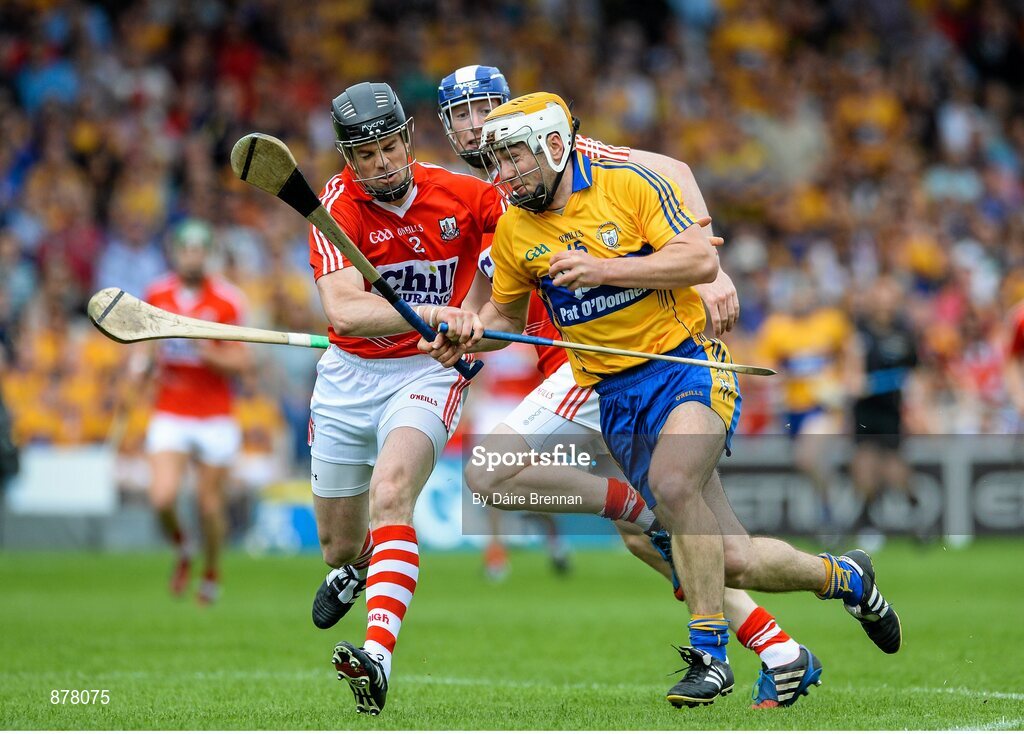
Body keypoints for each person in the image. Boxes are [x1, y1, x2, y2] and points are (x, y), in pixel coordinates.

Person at [422, 92, 902, 708]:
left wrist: (605, 270)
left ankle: (710, 655)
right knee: (732, 560)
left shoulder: (626, 185)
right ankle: (846, 578)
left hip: (684, 367)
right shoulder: (516, 229)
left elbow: (701, 257)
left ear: (552, 146)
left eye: (515, 157)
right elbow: (502, 315)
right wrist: (463, 329)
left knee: (674, 486)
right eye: (498, 161)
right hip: (613, 393)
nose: (506, 174)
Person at [304, 81, 504, 716]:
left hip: (427, 372)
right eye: (366, 155)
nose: (382, 163)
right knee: (338, 547)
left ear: (407, 140)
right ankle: (361, 565)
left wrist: (479, 315)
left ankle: (378, 656)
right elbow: (344, 310)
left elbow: (528, 244)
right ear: (348, 158)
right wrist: (439, 309)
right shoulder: (333, 207)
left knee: (392, 493)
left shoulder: (467, 196)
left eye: (390, 147)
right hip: (348, 376)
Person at [141, 219, 249, 604]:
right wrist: (141, 365)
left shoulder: (227, 300)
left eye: (199, 250)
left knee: (208, 504)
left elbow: (241, 361)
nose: (192, 257)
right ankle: (184, 547)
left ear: (208, 255)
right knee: (162, 498)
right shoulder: (156, 293)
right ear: (176, 253)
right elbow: (144, 346)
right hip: (170, 406)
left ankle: (212, 570)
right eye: (186, 250)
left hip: (214, 412)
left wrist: (207, 351)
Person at [849, 276, 920, 542]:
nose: (883, 306)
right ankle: (867, 525)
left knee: (894, 470)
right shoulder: (859, 334)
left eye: (888, 301)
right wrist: (857, 383)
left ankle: (917, 518)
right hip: (865, 412)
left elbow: (917, 372)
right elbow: (852, 374)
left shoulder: (905, 335)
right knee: (865, 468)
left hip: (892, 411)